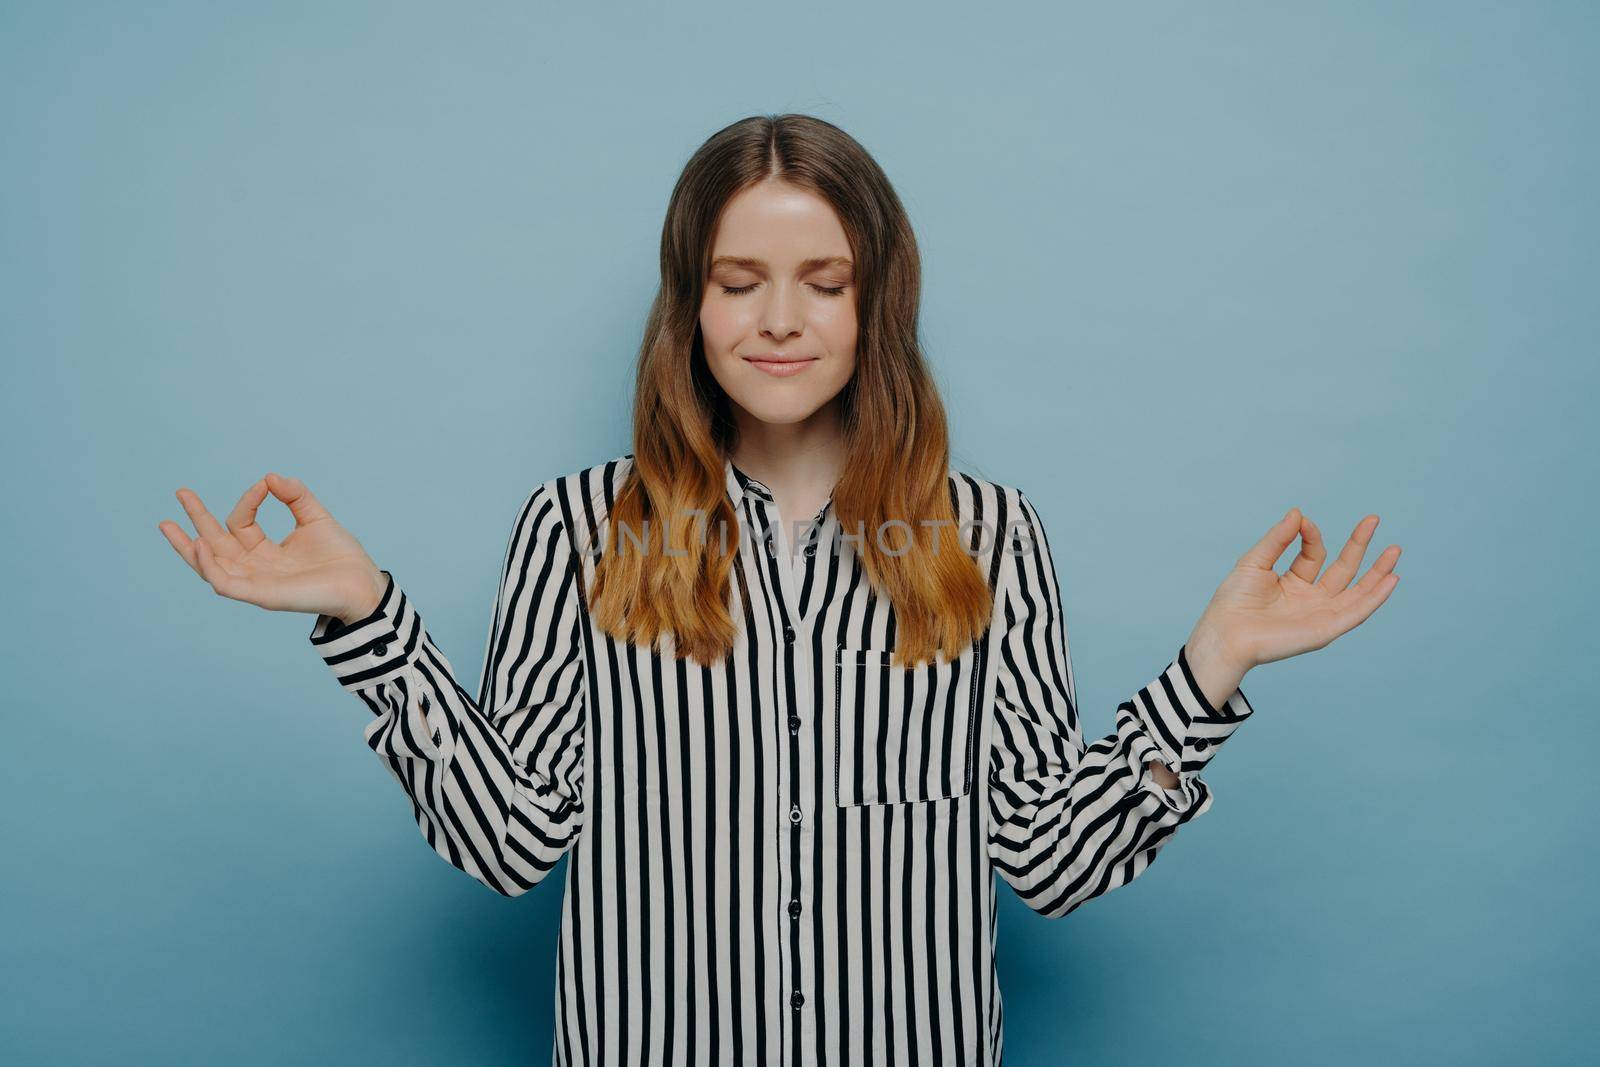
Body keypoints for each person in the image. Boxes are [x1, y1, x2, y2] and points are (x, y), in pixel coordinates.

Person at [158, 113, 1400, 1066]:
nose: (780, 319)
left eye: (825, 277)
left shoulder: (987, 534)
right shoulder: (585, 527)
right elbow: (510, 839)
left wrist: (1211, 668)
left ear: (876, 300)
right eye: (738, 277)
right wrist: (367, 621)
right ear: (689, 303)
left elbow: (1047, 855)